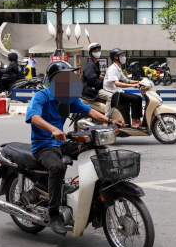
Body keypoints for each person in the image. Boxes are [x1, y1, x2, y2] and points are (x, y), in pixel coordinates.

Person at [26, 61, 124, 235]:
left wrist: (110, 121)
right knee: (57, 167)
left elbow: (89, 111)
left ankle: (98, 191)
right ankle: (54, 212)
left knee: (94, 148)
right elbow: (34, 117)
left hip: (61, 143)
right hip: (43, 145)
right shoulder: (41, 96)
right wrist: (53, 129)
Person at [103, 48, 144, 128]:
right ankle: (134, 123)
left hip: (118, 91)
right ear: (115, 57)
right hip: (113, 93)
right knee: (135, 99)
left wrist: (139, 82)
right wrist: (133, 85)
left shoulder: (118, 68)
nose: (123, 57)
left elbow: (126, 80)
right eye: (121, 55)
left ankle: (137, 120)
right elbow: (117, 83)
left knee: (138, 98)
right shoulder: (112, 69)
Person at [81, 43, 119, 118]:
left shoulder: (96, 63)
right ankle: (107, 118)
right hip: (90, 90)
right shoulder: (90, 65)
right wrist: (105, 83)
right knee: (111, 96)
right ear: (91, 53)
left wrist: (107, 78)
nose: (98, 52)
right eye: (95, 51)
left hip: (94, 87)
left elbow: (97, 76)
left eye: (98, 50)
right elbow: (93, 81)